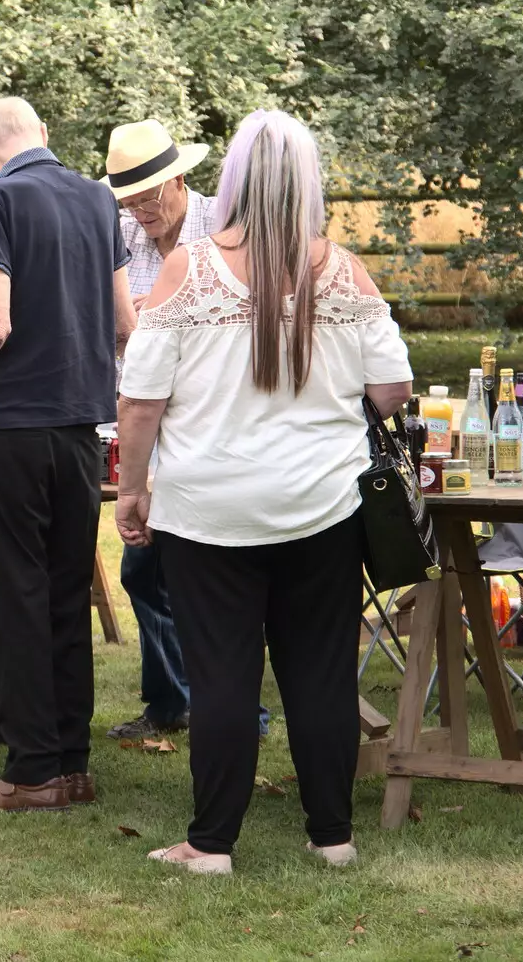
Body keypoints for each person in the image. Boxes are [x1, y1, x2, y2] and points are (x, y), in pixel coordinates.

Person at [115, 110, 413, 874]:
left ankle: (211, 844)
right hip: (322, 506)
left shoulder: (189, 269)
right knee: (320, 675)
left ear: (234, 181)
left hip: (209, 508)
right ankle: (332, 837)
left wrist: (131, 489)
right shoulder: (343, 270)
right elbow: (392, 387)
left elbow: (141, 400)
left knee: (222, 676)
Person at [0, 97, 136, 813]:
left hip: (15, 427)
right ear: (42, 135)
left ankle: (31, 771)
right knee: (69, 594)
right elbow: (127, 322)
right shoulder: (97, 199)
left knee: (17, 597)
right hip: (83, 429)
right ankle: (72, 764)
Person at [102, 119, 274, 743]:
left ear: (179, 180)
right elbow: (116, 334)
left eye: (150, 197)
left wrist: (162, 315)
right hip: (151, 424)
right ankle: (172, 702)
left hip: (218, 425)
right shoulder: (121, 240)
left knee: (207, 577)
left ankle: (231, 711)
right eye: (129, 200)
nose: (141, 211)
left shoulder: (225, 230)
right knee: (145, 569)